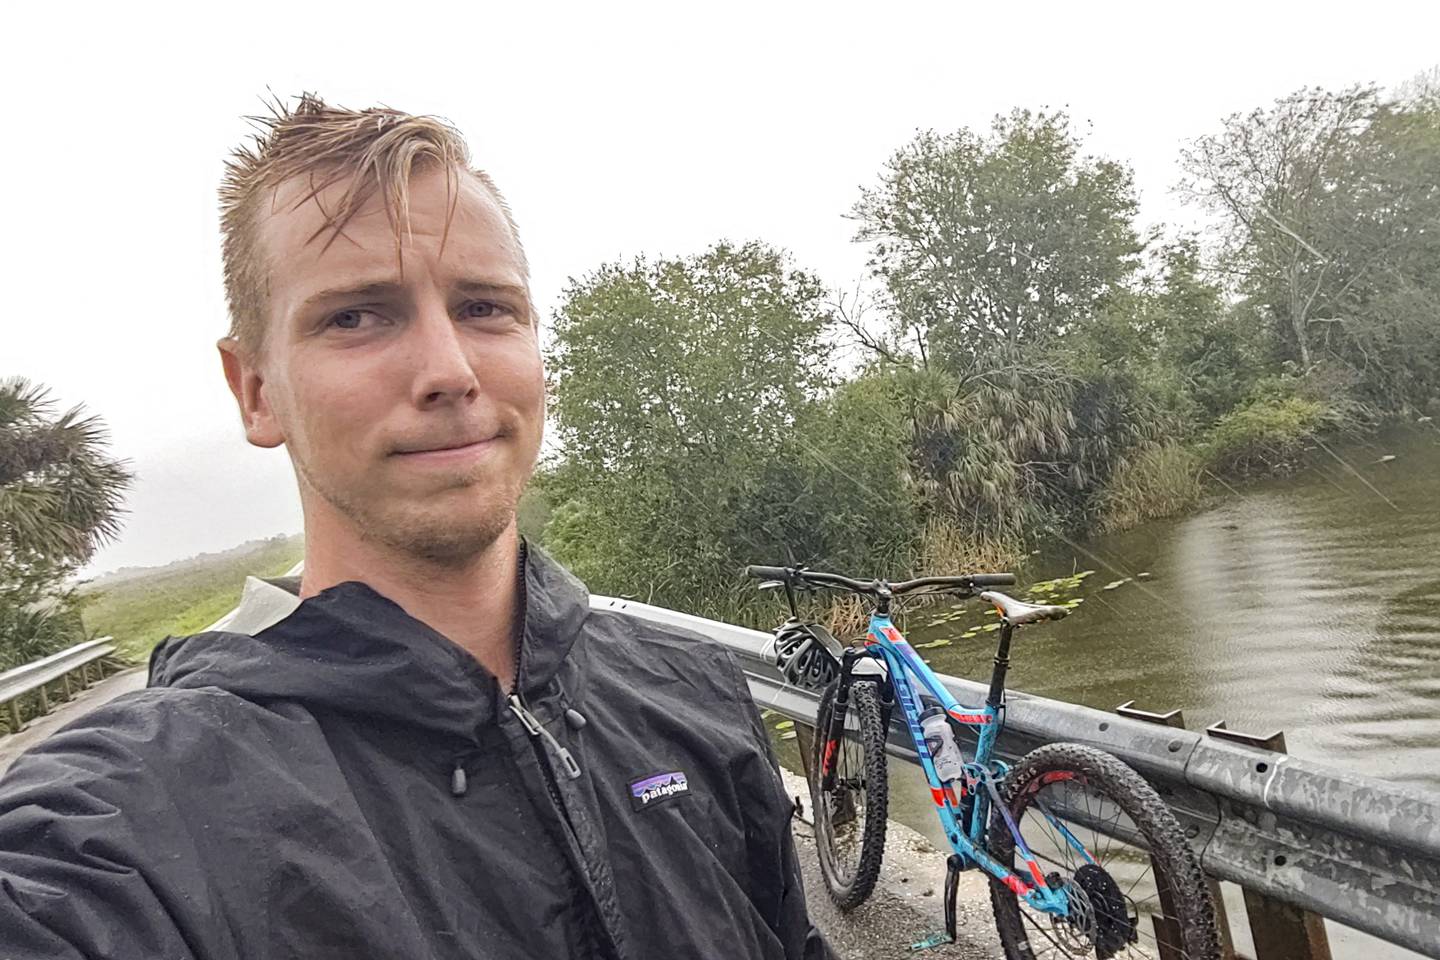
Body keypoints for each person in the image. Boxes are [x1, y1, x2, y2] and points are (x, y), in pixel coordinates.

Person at [0, 94, 830, 960]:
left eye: (484, 308)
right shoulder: (134, 821)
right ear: (254, 389)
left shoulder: (695, 694)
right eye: (356, 316)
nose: (449, 369)